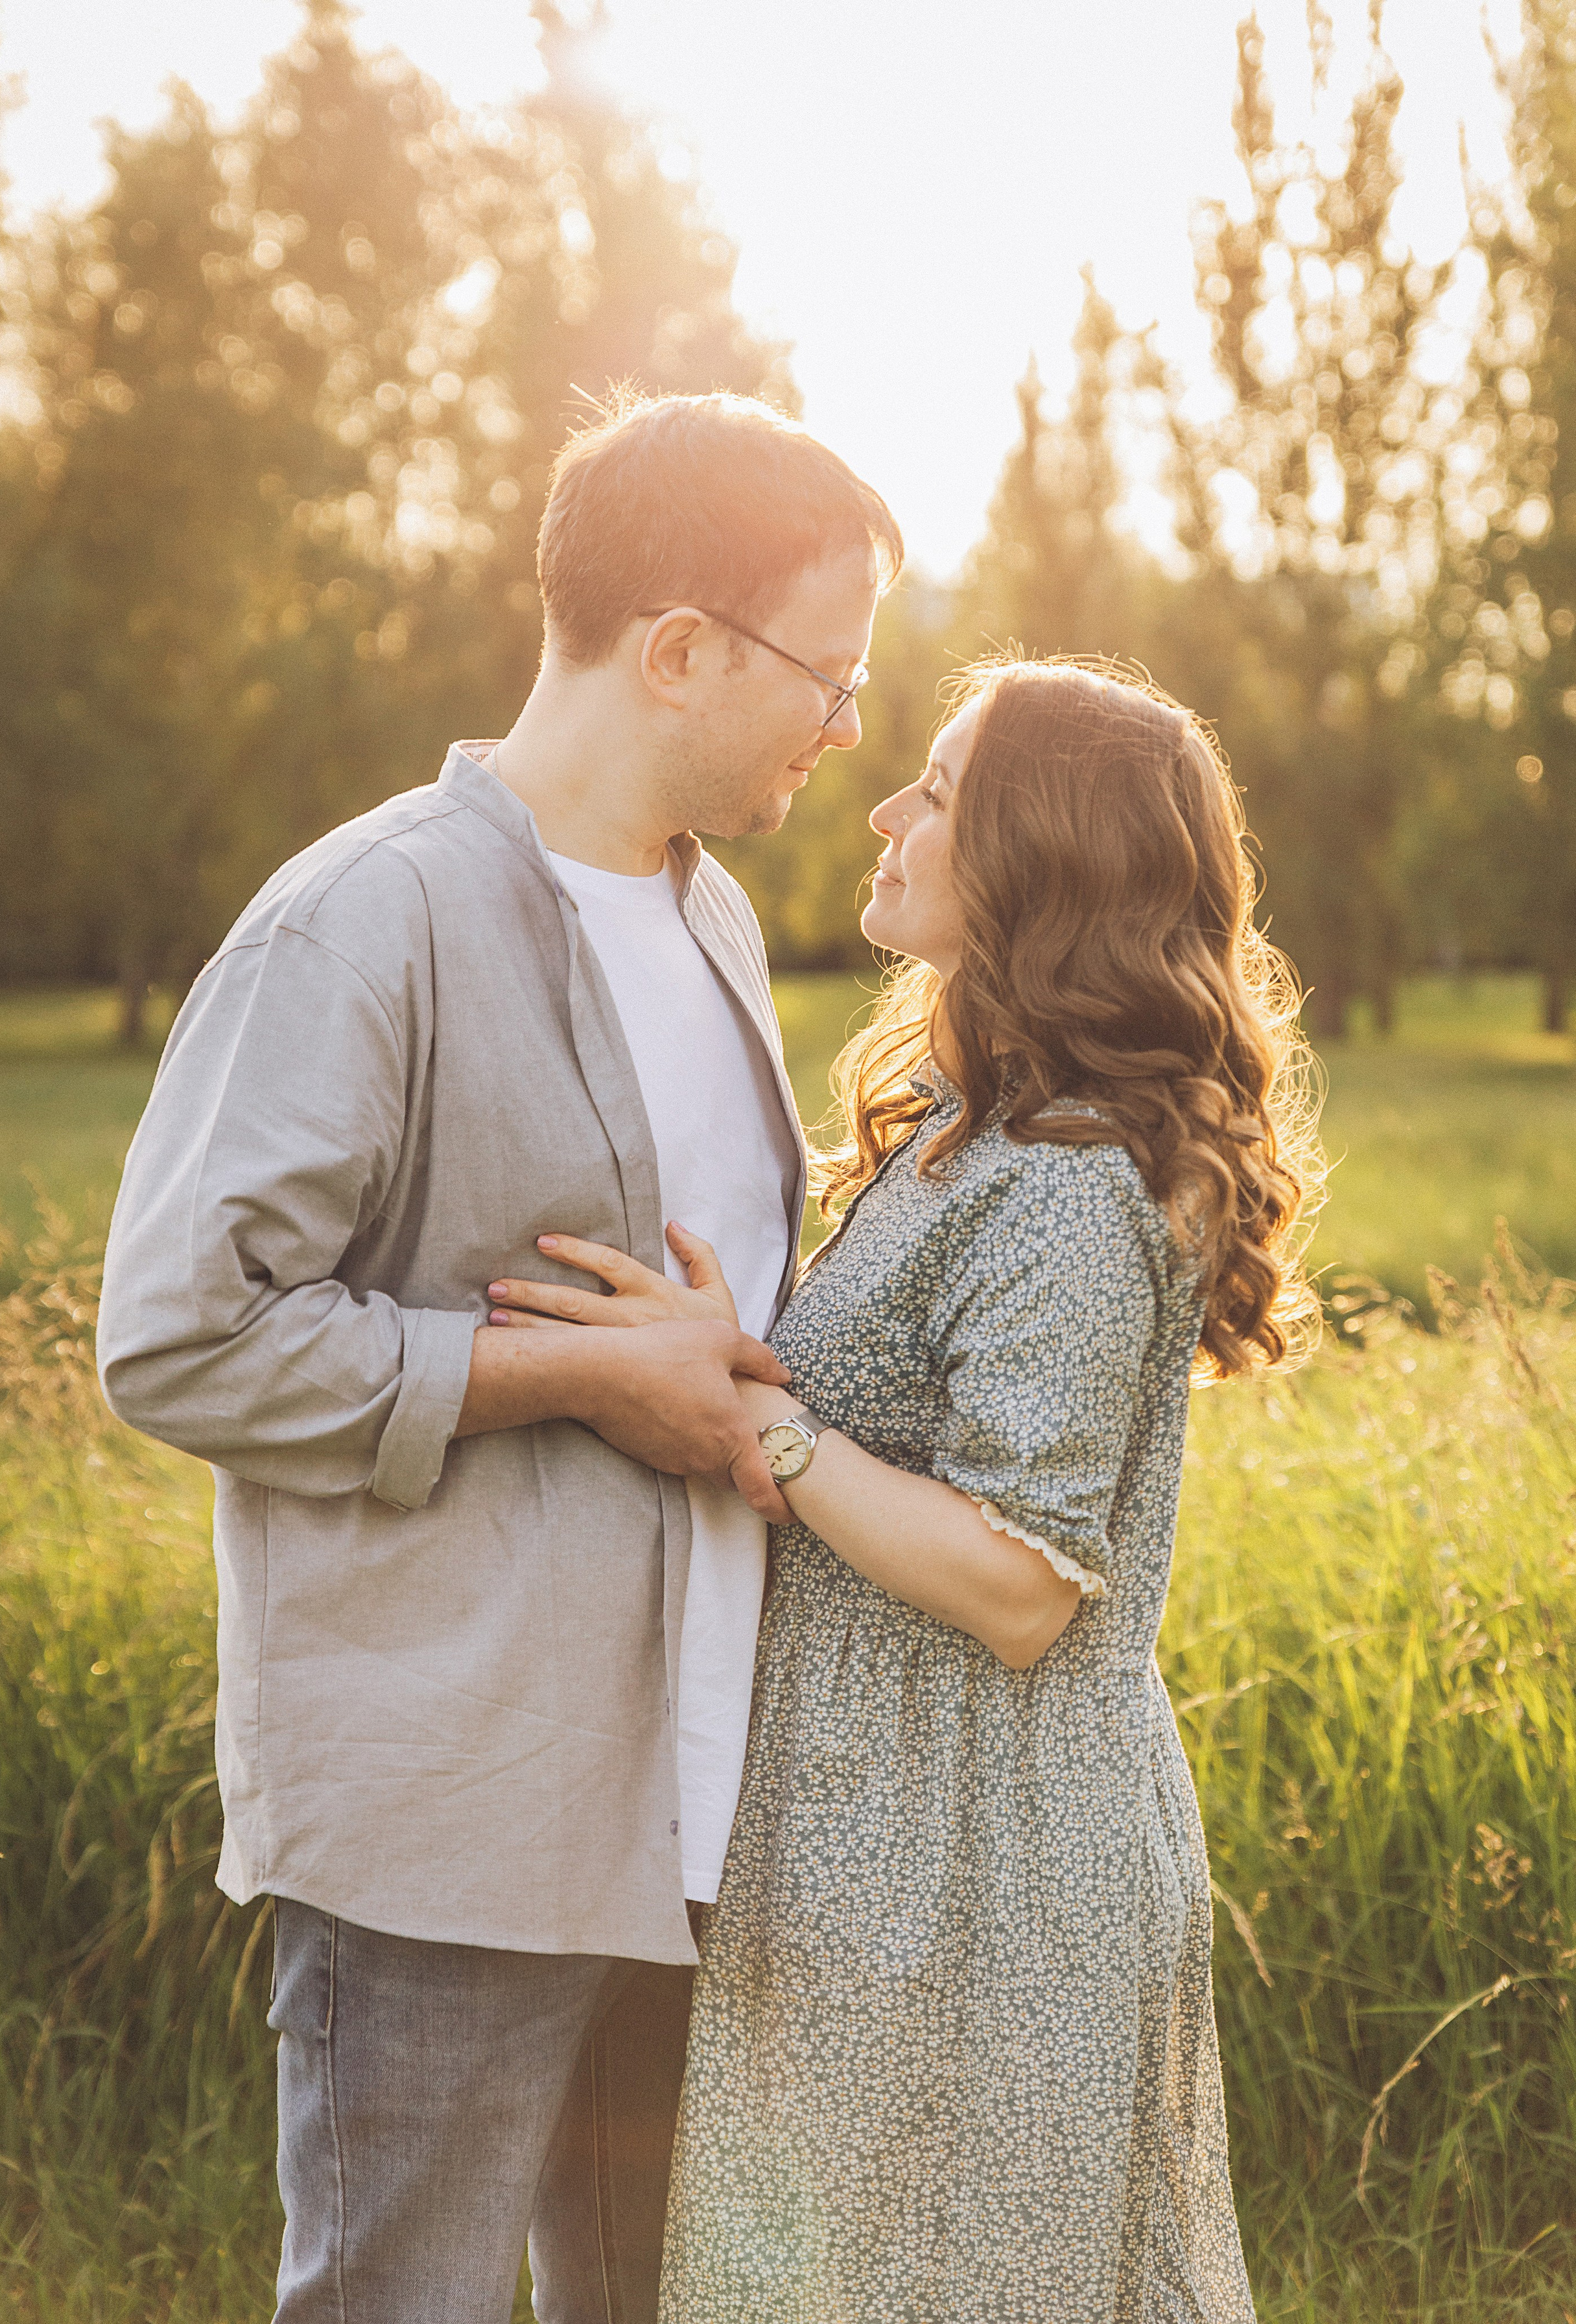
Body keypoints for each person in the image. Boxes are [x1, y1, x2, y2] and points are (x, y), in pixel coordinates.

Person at [93, 388, 902, 2323]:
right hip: (449, 1820)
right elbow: (182, 1336)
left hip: (697, 1802)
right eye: (830, 675)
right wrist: (565, 1377)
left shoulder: (714, 921)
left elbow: (716, 1322)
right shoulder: (361, 923)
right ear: (679, 649)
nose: (845, 729)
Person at [488, 658, 1320, 2321]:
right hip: (882, 1823)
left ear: (1037, 860)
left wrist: (756, 1421)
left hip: (986, 1853)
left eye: (935, 791)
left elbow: (1018, 1583)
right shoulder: (976, 1123)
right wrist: (725, 1365)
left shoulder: (1071, 1182)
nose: (883, 810)